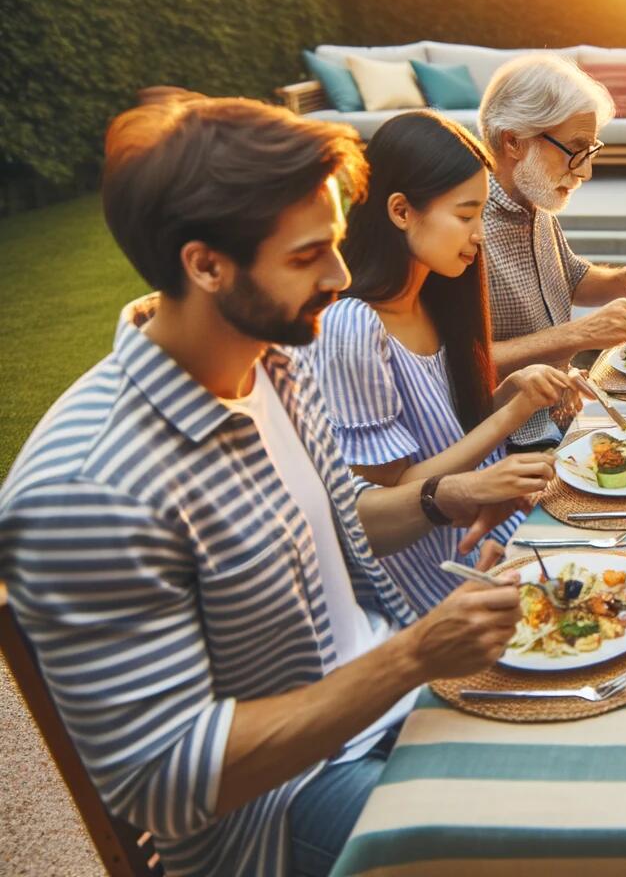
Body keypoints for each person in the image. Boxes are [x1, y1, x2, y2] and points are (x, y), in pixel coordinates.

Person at [0, 98, 534, 877]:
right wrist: (416, 656)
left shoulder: (275, 363)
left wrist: (440, 499)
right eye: (306, 256)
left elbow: (337, 531)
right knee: (550, 832)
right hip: (284, 811)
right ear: (205, 264)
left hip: (396, 704)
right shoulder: (90, 489)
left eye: (338, 245)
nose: (342, 277)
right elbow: (167, 782)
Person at [303, 111, 590, 612]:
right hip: (432, 585)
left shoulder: (436, 297)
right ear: (400, 211)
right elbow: (394, 492)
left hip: (490, 541)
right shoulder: (354, 326)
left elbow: (447, 430)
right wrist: (511, 415)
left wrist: (510, 391)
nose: (480, 234)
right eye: (465, 215)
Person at [477, 54, 626, 448]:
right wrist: (580, 334)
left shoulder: (534, 200)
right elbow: (454, 364)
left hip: (567, 411)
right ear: (514, 141)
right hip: (513, 438)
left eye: (590, 149)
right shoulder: (468, 229)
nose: (585, 171)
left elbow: (572, 278)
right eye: (575, 148)